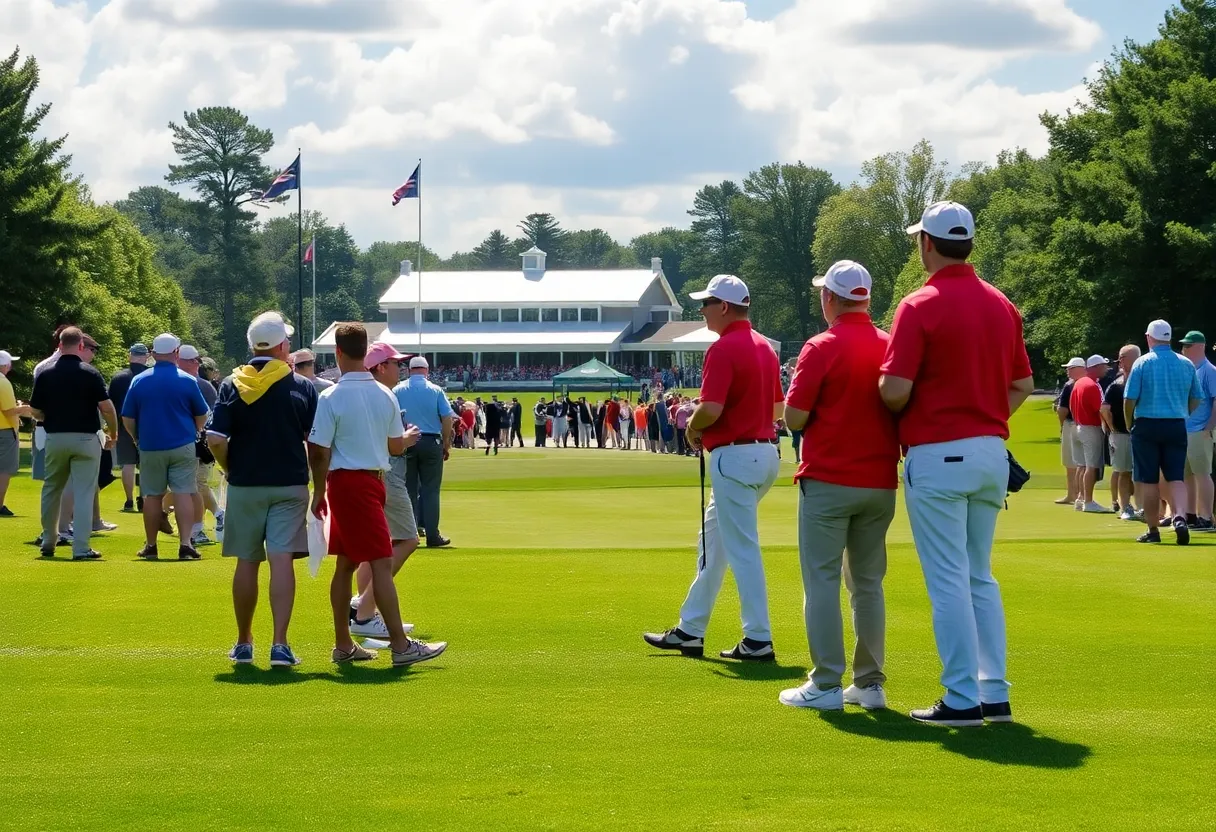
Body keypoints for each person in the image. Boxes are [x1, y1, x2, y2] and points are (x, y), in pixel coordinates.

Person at [879, 201, 1034, 727]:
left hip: (938, 453)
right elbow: (1022, 386)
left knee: (948, 579)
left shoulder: (918, 304)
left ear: (927, 242)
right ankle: (994, 692)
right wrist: (981, 414)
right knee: (978, 577)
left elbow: (895, 389)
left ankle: (962, 698)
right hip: (991, 451)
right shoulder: (1000, 302)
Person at [777, 261, 899, 711]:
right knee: (868, 584)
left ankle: (827, 682)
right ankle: (869, 684)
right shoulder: (889, 343)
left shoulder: (820, 346)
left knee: (823, 582)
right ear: (866, 298)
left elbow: (794, 417)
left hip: (829, 479)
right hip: (881, 481)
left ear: (830, 297)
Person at [644, 274, 783, 662]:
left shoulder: (723, 348)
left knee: (741, 550)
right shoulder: (764, 348)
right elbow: (777, 409)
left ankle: (758, 638)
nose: (701, 309)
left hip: (735, 457)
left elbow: (711, 409)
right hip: (763, 453)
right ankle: (691, 629)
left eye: (706, 303)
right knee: (713, 543)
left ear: (723, 306)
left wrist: (692, 426)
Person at [308, 323, 446, 666]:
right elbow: (392, 445)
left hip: (344, 482)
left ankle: (344, 644)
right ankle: (400, 646)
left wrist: (319, 489)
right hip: (367, 482)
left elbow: (319, 450)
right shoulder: (385, 395)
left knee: (346, 564)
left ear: (338, 353)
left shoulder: (331, 396)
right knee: (381, 563)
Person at [207, 312, 317, 667]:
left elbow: (215, 438)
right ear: (283, 346)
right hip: (289, 481)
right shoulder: (300, 384)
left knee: (247, 561)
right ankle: (280, 644)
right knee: (281, 559)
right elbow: (315, 442)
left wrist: (228, 466)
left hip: (246, 483)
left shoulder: (231, 383)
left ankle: (243, 642)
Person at [352, 341, 422, 639]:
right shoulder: (385, 396)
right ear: (380, 367)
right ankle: (366, 612)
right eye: (395, 363)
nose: (400, 368)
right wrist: (407, 437)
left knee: (374, 546)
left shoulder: (358, 394)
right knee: (407, 540)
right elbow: (391, 444)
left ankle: (362, 606)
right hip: (387, 473)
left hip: (364, 476)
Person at [28, 327, 118, 560]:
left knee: (51, 489)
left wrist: (46, 417)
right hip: (86, 438)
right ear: (80, 346)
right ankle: (81, 547)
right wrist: (113, 431)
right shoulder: (90, 373)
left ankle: (49, 540)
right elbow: (106, 408)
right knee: (84, 492)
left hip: (56, 438)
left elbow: (36, 410)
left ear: (59, 345)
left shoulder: (45, 373)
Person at [122, 333, 209, 561]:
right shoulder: (187, 380)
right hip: (182, 443)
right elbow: (202, 413)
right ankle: (185, 544)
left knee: (152, 496)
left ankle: (151, 545)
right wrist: (196, 430)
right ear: (176, 353)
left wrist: (136, 437)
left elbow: (128, 417)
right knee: (183, 493)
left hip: (150, 445)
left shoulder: (139, 380)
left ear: (152, 353)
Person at [1124, 320, 1203, 545]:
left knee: (1148, 480)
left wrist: (1130, 422)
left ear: (1149, 338)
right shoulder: (1186, 363)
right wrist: (1184, 411)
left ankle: (1153, 530)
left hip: (1147, 424)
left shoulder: (1142, 363)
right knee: (1176, 477)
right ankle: (1180, 516)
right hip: (1176, 424)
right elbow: (1196, 397)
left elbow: (1129, 399)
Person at [393, 356, 455, 548]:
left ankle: (409, 534)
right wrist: (446, 443)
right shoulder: (436, 390)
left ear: (409, 370)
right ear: (427, 371)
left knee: (409, 490)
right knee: (430, 490)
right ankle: (432, 534)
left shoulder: (397, 389)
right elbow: (447, 418)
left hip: (407, 441)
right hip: (430, 441)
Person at [177, 344, 222, 545]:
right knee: (189, 487)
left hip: (200, 445)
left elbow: (212, 416)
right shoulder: (194, 383)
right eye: (194, 360)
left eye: (198, 361)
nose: (197, 364)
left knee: (195, 486)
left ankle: (200, 528)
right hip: (189, 443)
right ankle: (212, 519)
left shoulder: (203, 385)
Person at [1178, 331, 1216, 532]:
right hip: (1185, 429)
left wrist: (1208, 427)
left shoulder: (1209, 370)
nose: (1184, 349)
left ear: (1200, 346)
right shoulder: (1190, 370)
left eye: (1188, 345)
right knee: (1186, 475)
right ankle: (1190, 515)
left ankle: (1206, 517)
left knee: (1202, 474)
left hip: (1199, 430)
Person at [107, 343, 150, 513]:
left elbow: (109, 403)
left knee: (128, 464)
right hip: (146, 426)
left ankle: (129, 500)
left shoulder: (119, 377)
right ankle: (143, 498)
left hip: (123, 424)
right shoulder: (149, 376)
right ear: (146, 356)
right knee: (145, 465)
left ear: (129, 356)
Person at [1101, 345, 1141, 521]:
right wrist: (1113, 428)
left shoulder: (1141, 380)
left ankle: (1141, 507)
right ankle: (1126, 507)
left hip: (1141, 432)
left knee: (1141, 473)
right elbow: (1104, 409)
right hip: (1122, 435)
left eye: (1123, 358)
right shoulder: (1116, 385)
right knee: (1124, 471)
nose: (1120, 362)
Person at [1071, 355, 1112, 513]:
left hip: (1078, 426)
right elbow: (1102, 409)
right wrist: (1111, 427)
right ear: (1095, 367)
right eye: (1103, 366)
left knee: (1081, 466)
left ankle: (1080, 499)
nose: (1105, 369)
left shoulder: (1079, 382)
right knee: (1091, 467)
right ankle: (1088, 501)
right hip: (1090, 428)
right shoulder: (1092, 385)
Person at [0, 350, 33, 516]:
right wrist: (25, 408)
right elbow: (8, 411)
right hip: (4, 430)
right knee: (4, 469)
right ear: (6, 365)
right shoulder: (3, 382)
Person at [1054, 357, 1084, 506]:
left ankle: (1073, 494)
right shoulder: (1090, 383)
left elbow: (1062, 409)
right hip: (1086, 426)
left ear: (1079, 369)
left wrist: (1061, 425)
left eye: (1070, 368)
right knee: (1082, 462)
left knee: (1071, 462)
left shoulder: (1069, 386)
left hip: (1071, 424)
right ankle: (1080, 495)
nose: (1067, 371)